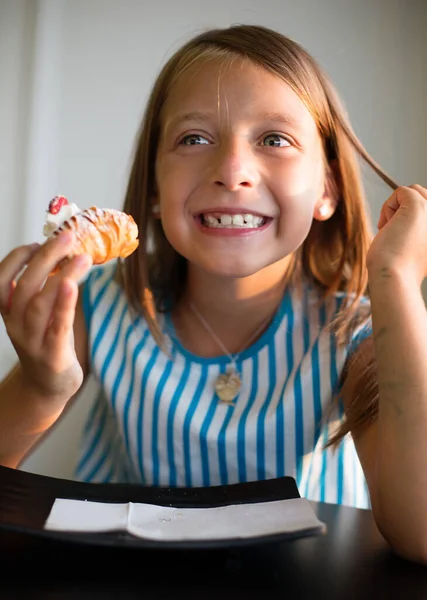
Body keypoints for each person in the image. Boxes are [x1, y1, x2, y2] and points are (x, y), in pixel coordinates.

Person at [0, 24, 426, 563]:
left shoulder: (358, 334)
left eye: (274, 139)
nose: (231, 171)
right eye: (194, 139)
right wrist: (41, 387)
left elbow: (421, 534)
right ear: (153, 189)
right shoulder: (95, 307)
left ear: (327, 189)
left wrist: (395, 282)